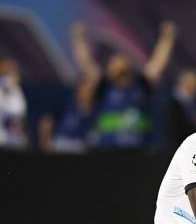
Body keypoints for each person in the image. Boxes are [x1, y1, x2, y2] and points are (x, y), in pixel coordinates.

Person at [71, 20, 177, 149]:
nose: (118, 63)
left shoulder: (141, 85)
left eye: (122, 60)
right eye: (114, 62)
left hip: (139, 152)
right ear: (109, 69)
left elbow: (158, 63)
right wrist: (78, 39)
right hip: (108, 152)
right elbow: (86, 64)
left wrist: (167, 39)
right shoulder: (104, 86)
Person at [0, 57, 28, 149]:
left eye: (13, 74)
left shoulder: (18, 92)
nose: (10, 78)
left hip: (16, 141)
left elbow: (20, 113)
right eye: (5, 74)